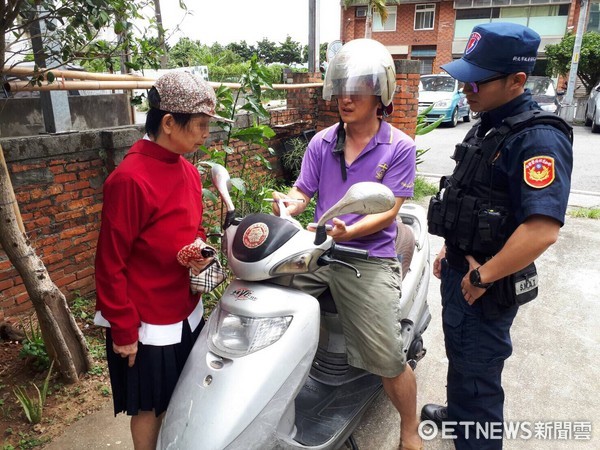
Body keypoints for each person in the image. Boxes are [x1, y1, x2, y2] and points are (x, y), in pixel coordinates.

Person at [422, 23, 573, 449]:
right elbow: (469, 193)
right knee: (463, 358)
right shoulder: (487, 122)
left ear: (517, 80)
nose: (465, 86)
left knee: (479, 376)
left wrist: (481, 276)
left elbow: (542, 230)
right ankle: (458, 416)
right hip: (463, 270)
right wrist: (452, 251)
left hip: (486, 284)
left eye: (477, 78)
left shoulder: (536, 137)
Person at [273, 39, 422, 450]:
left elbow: (389, 210)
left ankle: (409, 428)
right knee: (268, 305)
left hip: (369, 258)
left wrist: (349, 230)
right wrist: (290, 203)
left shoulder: (399, 148)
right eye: (341, 88)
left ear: (381, 96)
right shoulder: (322, 143)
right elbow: (303, 192)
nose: (345, 97)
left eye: (357, 88)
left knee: (388, 354)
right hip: (321, 250)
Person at [94, 71, 231, 450]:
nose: (207, 133)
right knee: (150, 407)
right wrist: (122, 329)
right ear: (168, 122)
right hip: (146, 320)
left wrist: (200, 249)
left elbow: (192, 228)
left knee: (183, 394)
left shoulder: (187, 170)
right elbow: (110, 263)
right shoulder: (130, 180)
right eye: (201, 125)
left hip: (185, 306)